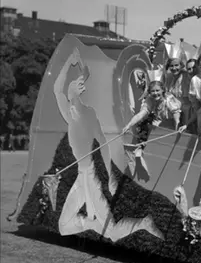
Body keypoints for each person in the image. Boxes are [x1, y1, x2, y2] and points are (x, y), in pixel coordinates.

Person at [54, 48, 163, 241]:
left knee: (112, 232)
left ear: (76, 92)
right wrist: (71, 61)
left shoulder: (87, 114)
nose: (75, 88)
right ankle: (92, 223)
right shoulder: (69, 113)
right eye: (75, 85)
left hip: (91, 177)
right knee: (63, 226)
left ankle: (142, 223)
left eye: (77, 86)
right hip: (81, 176)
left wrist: (110, 178)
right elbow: (57, 88)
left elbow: (103, 145)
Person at [161, 41, 193, 130]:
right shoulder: (169, 77)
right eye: (171, 66)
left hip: (187, 110)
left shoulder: (186, 76)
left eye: (176, 65)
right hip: (174, 110)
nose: (174, 68)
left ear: (181, 65)